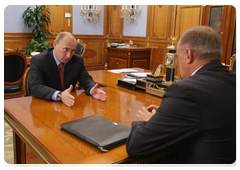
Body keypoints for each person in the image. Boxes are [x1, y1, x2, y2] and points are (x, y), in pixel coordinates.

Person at [126, 26, 238, 166]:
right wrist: (169, 114)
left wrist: (145, 121)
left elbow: (136, 147)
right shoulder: (235, 79)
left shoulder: (185, 90)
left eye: (178, 56)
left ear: (188, 54)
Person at [29, 32, 107, 107]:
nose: (69, 55)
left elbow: (86, 79)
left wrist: (93, 90)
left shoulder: (77, 60)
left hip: (69, 105)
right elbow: (36, 87)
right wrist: (59, 95)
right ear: (55, 44)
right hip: (45, 105)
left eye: (73, 51)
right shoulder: (39, 60)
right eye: (66, 49)